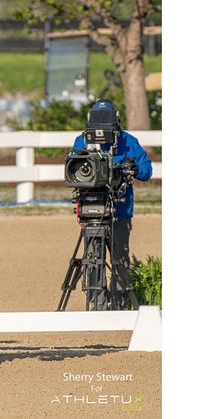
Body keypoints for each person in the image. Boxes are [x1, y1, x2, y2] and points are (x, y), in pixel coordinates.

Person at [72, 99, 153, 308]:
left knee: (120, 259)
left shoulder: (128, 141)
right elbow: (74, 170)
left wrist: (130, 168)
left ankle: (118, 305)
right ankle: (97, 304)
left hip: (120, 211)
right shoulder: (82, 142)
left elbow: (147, 172)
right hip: (92, 209)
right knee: (92, 259)